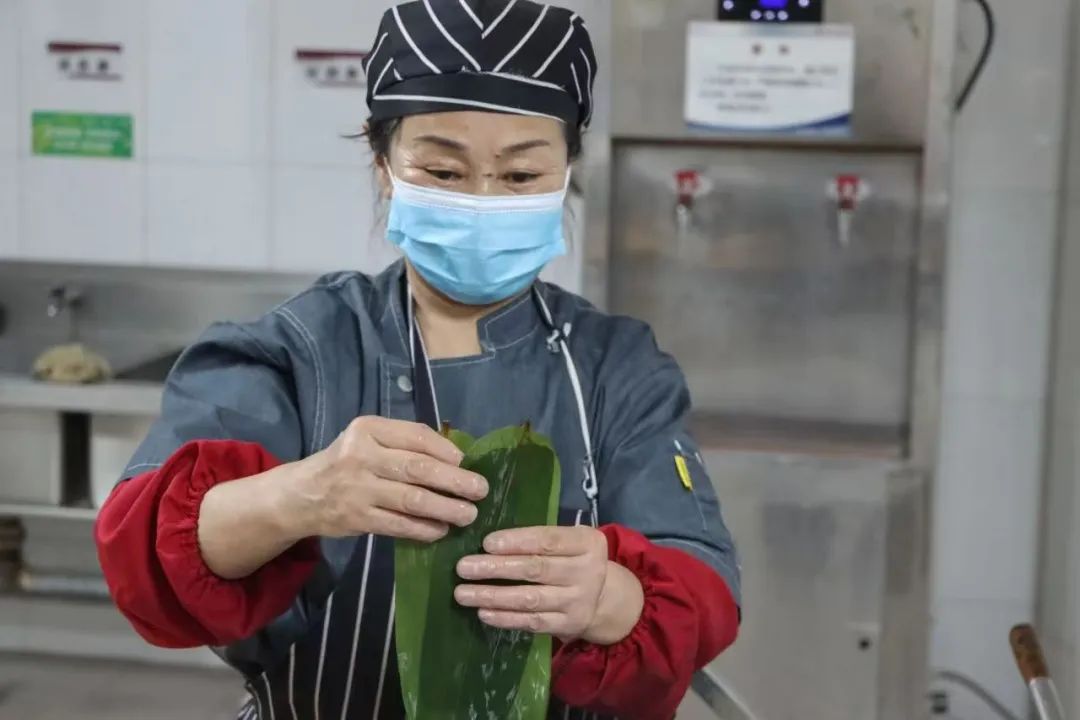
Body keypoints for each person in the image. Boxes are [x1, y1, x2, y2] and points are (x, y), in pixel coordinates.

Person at [94, 2, 740, 718]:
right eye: (443, 169)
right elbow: (140, 556)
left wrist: (606, 598)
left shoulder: (617, 369)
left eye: (520, 175)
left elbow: (701, 588)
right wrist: (305, 496)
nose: (482, 200)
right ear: (384, 167)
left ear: (564, 175)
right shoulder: (301, 350)